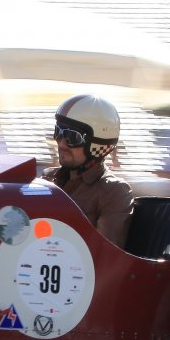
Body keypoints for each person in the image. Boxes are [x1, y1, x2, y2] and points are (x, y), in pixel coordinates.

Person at [44, 93, 134, 246]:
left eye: (72, 136)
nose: (61, 143)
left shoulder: (113, 191)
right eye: (58, 131)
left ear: (96, 145)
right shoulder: (48, 179)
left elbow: (104, 253)